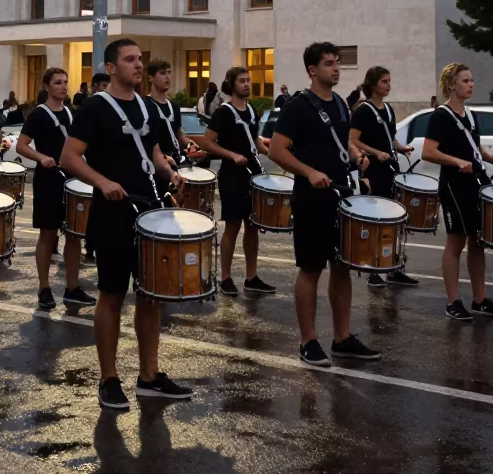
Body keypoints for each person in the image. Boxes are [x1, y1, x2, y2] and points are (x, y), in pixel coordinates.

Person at [60, 38, 191, 410]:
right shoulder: (95, 108)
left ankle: (150, 375)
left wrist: (169, 173)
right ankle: (109, 378)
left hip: (150, 210)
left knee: (151, 296)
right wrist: (101, 182)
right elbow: (69, 156)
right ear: (112, 68)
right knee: (113, 294)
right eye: (130, 60)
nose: (138, 65)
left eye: (140, 59)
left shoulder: (148, 107)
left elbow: (151, 151)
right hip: (114, 213)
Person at [269, 41, 379, 367]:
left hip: (341, 195)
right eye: (329, 63)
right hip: (311, 199)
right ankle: (308, 341)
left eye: (337, 63)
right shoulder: (297, 106)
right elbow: (277, 150)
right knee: (311, 269)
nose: (336, 68)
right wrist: (309, 172)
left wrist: (357, 156)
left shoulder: (342, 105)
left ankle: (342, 337)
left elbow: (339, 140)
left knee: (342, 266)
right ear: (313, 70)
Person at [421, 62, 493, 322]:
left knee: (478, 242)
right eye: (465, 81)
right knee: (455, 242)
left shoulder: (470, 115)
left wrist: (490, 156)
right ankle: (452, 302)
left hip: (475, 184)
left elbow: (474, 147)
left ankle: (480, 299)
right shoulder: (441, 115)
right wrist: (457, 162)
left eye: (471, 81)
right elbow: (429, 151)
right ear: (451, 84)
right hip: (454, 186)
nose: (471, 85)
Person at [16, 66, 96, 311]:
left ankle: (72, 287)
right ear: (47, 86)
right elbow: (22, 145)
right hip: (48, 180)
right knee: (48, 234)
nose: (64, 86)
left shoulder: (72, 114)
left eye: (65, 81)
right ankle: (44, 288)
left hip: (72, 180)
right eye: (58, 82)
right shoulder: (38, 115)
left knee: (74, 235)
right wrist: (42, 157)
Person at [200, 67, 275, 297]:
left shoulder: (251, 110)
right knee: (232, 226)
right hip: (232, 174)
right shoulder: (224, 112)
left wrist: (274, 152)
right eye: (242, 81)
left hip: (252, 174)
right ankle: (225, 277)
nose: (247, 84)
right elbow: (207, 142)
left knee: (253, 227)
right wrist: (231, 155)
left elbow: (254, 142)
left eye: (248, 80)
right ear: (231, 85)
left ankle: (251, 277)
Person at [349, 65, 418, 288]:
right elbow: (352, 140)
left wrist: (400, 148)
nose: (388, 85)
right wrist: (376, 152)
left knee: (395, 220)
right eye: (384, 82)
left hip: (390, 168)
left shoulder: (388, 109)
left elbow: (390, 137)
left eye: (389, 81)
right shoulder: (363, 110)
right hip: (373, 171)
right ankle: (373, 269)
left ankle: (395, 267)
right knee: (377, 221)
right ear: (373, 84)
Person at [146, 59, 201, 169]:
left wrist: (190, 144)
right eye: (162, 73)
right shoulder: (145, 104)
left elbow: (179, 136)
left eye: (169, 72)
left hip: (175, 162)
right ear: (150, 78)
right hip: (155, 164)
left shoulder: (174, 106)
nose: (167, 77)